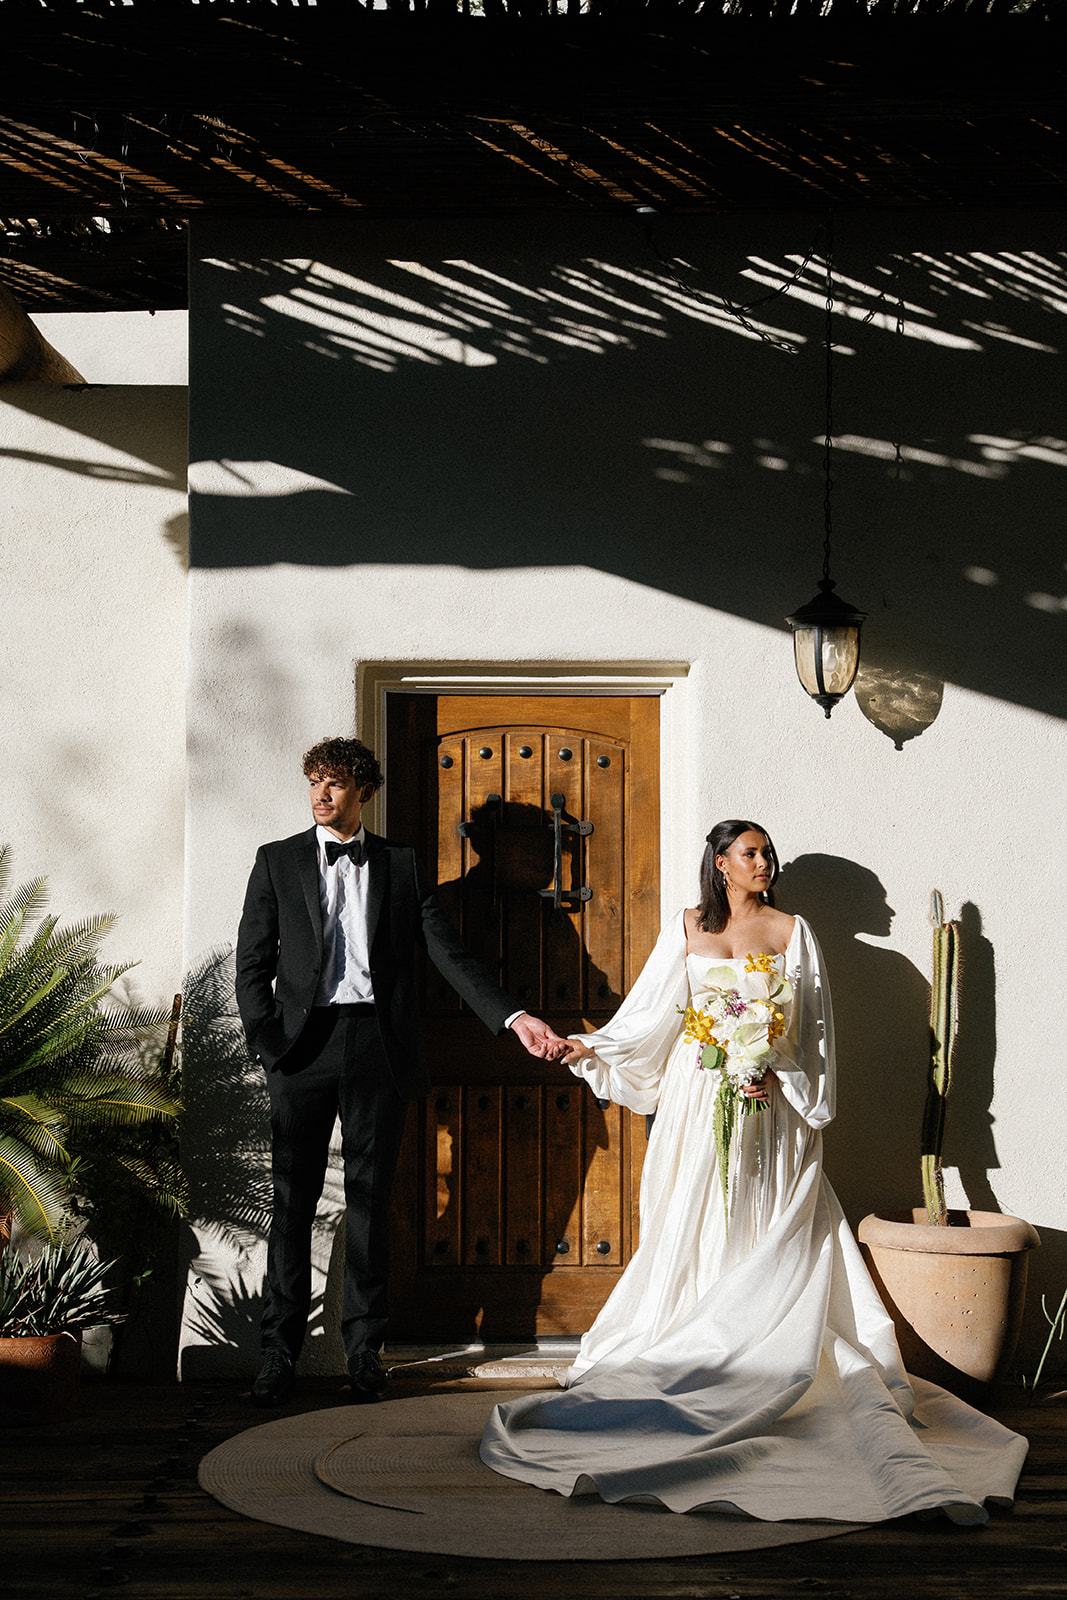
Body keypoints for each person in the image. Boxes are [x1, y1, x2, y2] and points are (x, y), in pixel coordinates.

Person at [481, 820, 1027, 1524]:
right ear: (719, 863)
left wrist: (781, 1075)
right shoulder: (685, 926)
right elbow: (652, 1014)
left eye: (768, 853)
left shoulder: (791, 931)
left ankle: (761, 1333)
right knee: (698, 1206)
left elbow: (814, 1030)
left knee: (763, 1212)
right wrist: (590, 1047)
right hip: (695, 1095)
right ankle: (694, 1332)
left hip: (767, 1101)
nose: (763, 862)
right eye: (750, 853)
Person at [236, 736, 566, 1407]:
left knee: (369, 1204)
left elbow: (448, 954)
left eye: (333, 785)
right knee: (292, 1203)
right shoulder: (277, 861)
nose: (320, 796)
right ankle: (277, 1353)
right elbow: (252, 961)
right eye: (312, 784)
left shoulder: (401, 865)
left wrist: (513, 1017)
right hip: (301, 1049)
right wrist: (268, 1043)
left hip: (377, 1047)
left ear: (364, 791)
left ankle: (364, 1351)